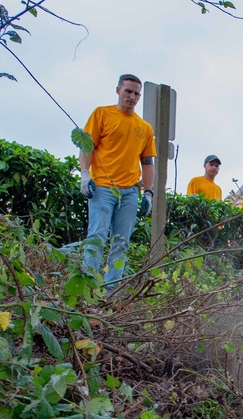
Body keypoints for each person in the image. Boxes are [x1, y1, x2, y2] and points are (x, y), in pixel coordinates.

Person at [76, 73, 156, 290]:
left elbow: (147, 162)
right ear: (118, 90)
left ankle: (112, 292)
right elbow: (87, 146)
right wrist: (85, 174)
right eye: (128, 91)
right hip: (102, 187)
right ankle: (88, 288)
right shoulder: (102, 114)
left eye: (136, 94)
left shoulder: (144, 128)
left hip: (129, 192)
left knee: (121, 242)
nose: (132, 96)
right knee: (97, 237)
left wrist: (148, 192)